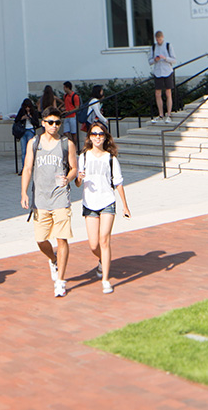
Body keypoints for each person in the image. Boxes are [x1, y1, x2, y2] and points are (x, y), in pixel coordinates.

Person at [20, 106, 78, 298]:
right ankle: (53, 259)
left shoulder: (66, 143)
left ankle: (61, 281)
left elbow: (74, 168)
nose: (54, 126)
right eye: (50, 122)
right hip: (41, 199)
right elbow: (28, 168)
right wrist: (24, 193)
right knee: (41, 239)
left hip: (61, 197)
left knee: (62, 239)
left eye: (57, 123)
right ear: (43, 123)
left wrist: (68, 179)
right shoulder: (34, 143)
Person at [74, 122, 131, 294]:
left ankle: (106, 279)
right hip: (89, 203)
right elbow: (77, 184)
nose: (97, 137)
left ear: (105, 137)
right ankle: (101, 260)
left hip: (107, 201)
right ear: (89, 137)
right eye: (94, 134)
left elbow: (119, 183)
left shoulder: (110, 158)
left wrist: (125, 207)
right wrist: (79, 178)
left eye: (100, 134)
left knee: (104, 240)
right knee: (93, 244)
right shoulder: (83, 156)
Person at [147, 31, 178, 123]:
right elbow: (150, 61)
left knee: (168, 92)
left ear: (163, 38)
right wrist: (155, 60)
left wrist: (165, 58)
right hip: (157, 72)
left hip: (167, 71)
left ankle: (168, 114)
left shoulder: (168, 46)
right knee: (157, 93)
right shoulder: (153, 47)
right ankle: (161, 114)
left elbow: (174, 60)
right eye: (157, 39)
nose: (159, 41)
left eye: (160, 39)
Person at [15, 99, 40, 172]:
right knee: (24, 151)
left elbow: (36, 123)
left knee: (30, 150)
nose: (27, 109)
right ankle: (24, 168)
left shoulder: (34, 112)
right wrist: (22, 118)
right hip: (23, 131)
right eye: (26, 107)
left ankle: (31, 166)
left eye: (28, 107)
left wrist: (31, 118)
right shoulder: (21, 111)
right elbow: (16, 120)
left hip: (30, 130)